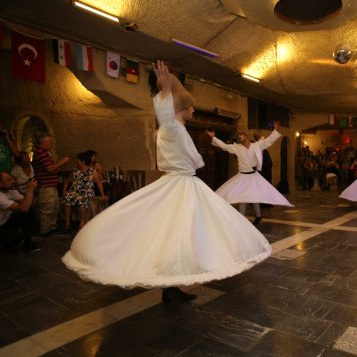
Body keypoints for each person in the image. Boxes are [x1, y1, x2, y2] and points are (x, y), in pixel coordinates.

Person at [62, 61, 271, 303]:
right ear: (182, 107)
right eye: (191, 107)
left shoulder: (179, 128)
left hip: (186, 184)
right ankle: (170, 287)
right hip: (179, 185)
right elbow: (165, 116)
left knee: (180, 236)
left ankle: (171, 288)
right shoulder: (172, 128)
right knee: (176, 234)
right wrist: (164, 90)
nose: (194, 110)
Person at [207, 122, 293, 225]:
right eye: (238, 135)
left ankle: (258, 216)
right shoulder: (237, 147)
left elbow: (268, 142)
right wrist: (214, 138)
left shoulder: (256, 146)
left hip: (253, 176)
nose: (239, 136)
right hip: (242, 177)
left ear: (246, 136)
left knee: (254, 196)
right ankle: (242, 220)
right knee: (243, 198)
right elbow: (225, 146)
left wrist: (276, 131)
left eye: (241, 134)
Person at [32, 133, 70, 235]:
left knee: (54, 208)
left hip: (50, 185)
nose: (52, 144)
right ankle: (45, 230)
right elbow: (50, 169)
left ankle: (52, 228)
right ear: (43, 142)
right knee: (46, 209)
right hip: (45, 186)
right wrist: (62, 162)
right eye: (50, 142)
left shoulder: (45, 153)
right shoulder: (41, 153)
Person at [62, 152, 107, 231]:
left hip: (87, 191)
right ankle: (67, 223)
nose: (76, 162)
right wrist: (64, 192)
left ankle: (82, 221)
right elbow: (67, 182)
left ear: (82, 161)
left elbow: (99, 183)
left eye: (78, 160)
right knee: (68, 199)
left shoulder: (92, 171)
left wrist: (102, 194)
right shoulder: (75, 171)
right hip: (74, 191)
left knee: (83, 199)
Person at [0, 171, 40, 252]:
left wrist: (30, 192)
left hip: (5, 222)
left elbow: (28, 205)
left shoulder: (11, 191)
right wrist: (29, 191)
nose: (13, 181)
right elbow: (23, 208)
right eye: (9, 180)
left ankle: (28, 243)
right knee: (16, 238)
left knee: (29, 211)